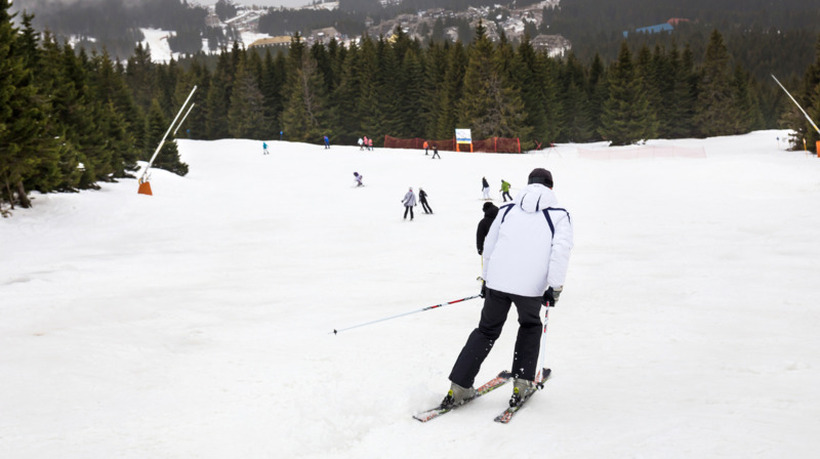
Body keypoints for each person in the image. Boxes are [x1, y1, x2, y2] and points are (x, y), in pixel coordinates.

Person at [442, 168, 573, 408]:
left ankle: (459, 386)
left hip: (498, 283)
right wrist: (555, 288)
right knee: (530, 326)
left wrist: (486, 279)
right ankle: (522, 383)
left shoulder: (507, 209)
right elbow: (560, 252)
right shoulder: (559, 215)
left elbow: (489, 245)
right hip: (530, 287)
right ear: (550, 187)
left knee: (486, 331)